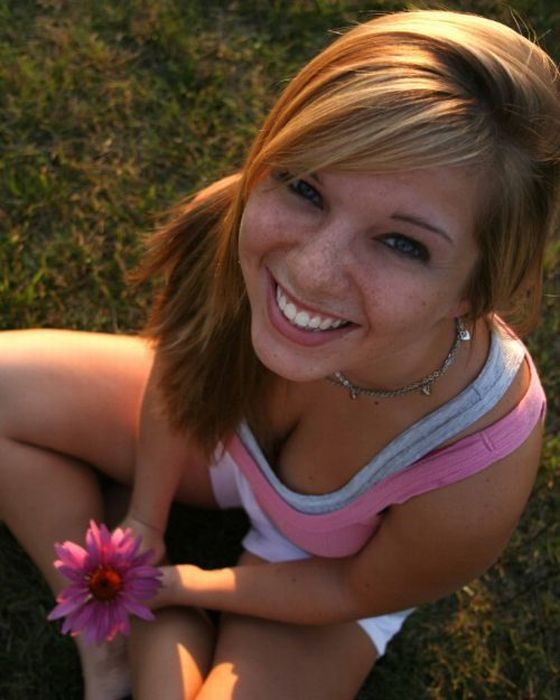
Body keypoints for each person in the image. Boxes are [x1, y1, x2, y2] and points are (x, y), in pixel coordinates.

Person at [0, 8, 559, 700]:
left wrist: (183, 585)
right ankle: (106, 627)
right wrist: (144, 522)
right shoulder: (238, 231)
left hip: (325, 565)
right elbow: (183, 373)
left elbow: (351, 586)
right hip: (221, 445)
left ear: (476, 292)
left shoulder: (477, 460)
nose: (310, 271)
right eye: (304, 187)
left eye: (402, 244)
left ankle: (146, 624)